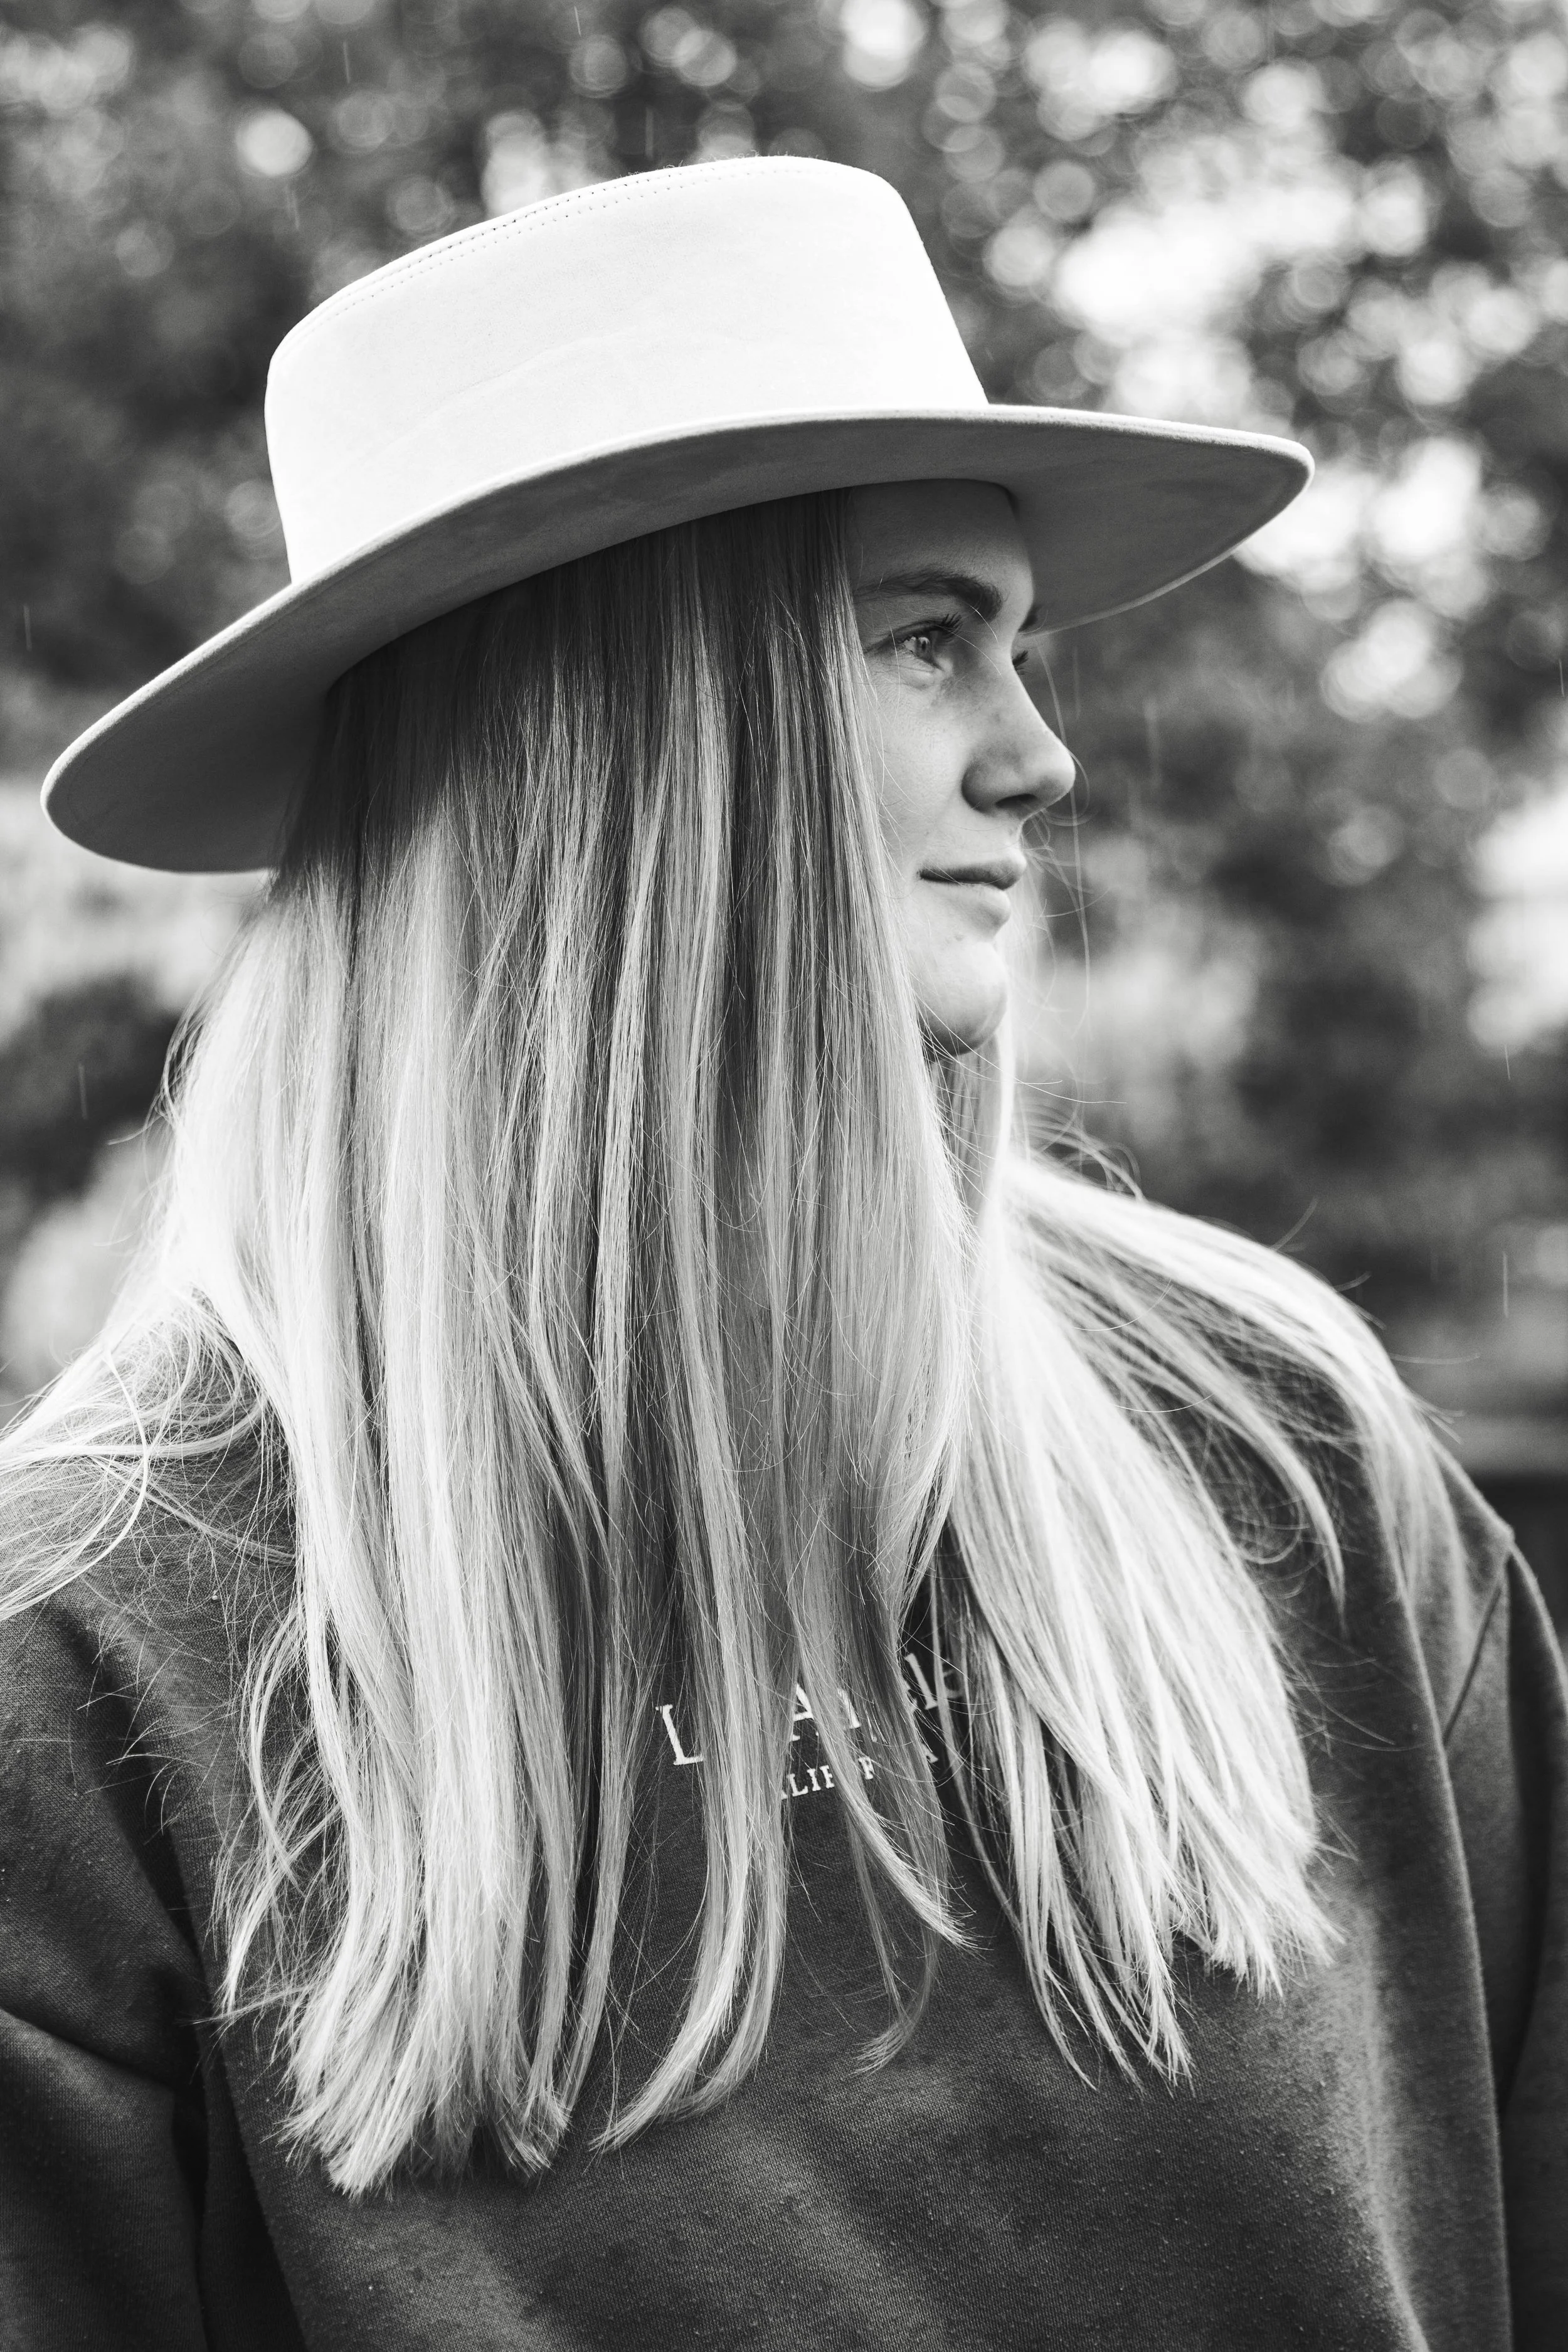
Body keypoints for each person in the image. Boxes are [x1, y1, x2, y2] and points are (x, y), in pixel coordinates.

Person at [1, 158, 1562, 2352]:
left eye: (1018, 648)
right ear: (617, 730)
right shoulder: (96, 1662)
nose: (1044, 755)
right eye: (926, 638)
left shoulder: (1277, 1451)